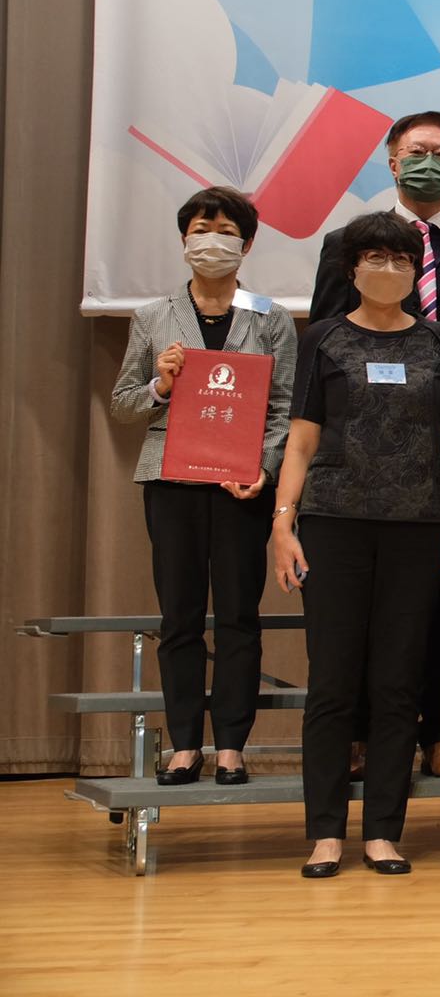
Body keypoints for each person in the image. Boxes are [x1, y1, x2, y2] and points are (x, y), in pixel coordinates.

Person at [310, 110, 440, 780]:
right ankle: (361, 734)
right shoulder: (347, 242)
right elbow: (326, 336)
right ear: (393, 162)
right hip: (361, 450)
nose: (430, 162)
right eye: (418, 151)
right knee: (363, 608)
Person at [271, 213, 440, 878]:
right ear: (351, 267)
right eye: (375, 257)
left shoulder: (439, 340)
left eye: (400, 258)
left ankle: (384, 830)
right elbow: (301, 438)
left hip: (418, 528)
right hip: (333, 522)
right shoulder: (323, 337)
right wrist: (283, 522)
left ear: (417, 270)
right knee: (332, 683)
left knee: (397, 683)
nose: (388, 269)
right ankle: (325, 832)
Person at [110, 186, 297, 788]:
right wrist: (160, 386)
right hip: (172, 481)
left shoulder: (270, 316)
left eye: (225, 231)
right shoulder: (153, 315)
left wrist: (264, 467)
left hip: (242, 486)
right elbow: (122, 404)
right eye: (200, 230)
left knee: (239, 614)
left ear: (247, 244)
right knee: (181, 615)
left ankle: (232, 747)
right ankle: (185, 744)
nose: (212, 241)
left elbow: (285, 408)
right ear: (183, 240)